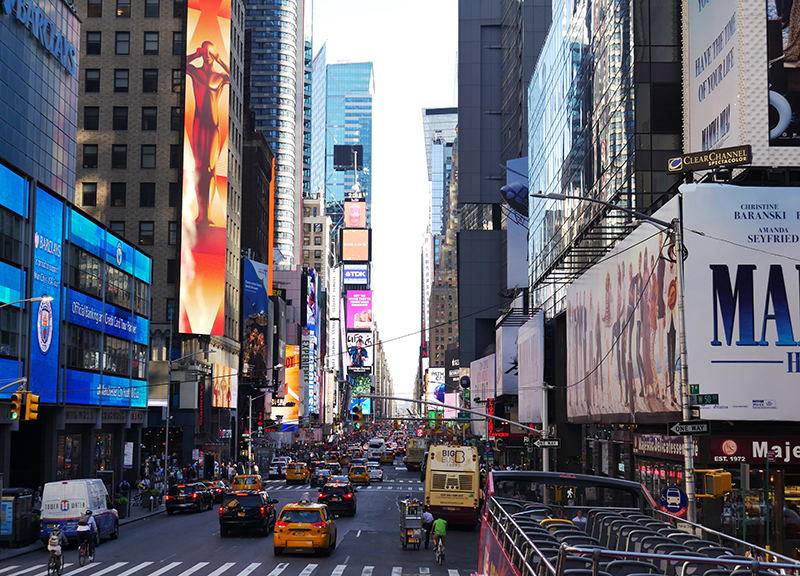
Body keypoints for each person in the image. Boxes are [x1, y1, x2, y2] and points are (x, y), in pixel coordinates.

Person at [185, 41, 230, 226]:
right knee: (199, 168)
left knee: (210, 169)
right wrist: (196, 53)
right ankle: (200, 213)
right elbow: (180, 64)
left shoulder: (219, 76)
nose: (208, 56)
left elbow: (233, 77)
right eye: (205, 53)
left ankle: (207, 214)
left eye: (210, 53)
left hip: (213, 126)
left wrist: (220, 59)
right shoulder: (196, 72)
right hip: (198, 123)